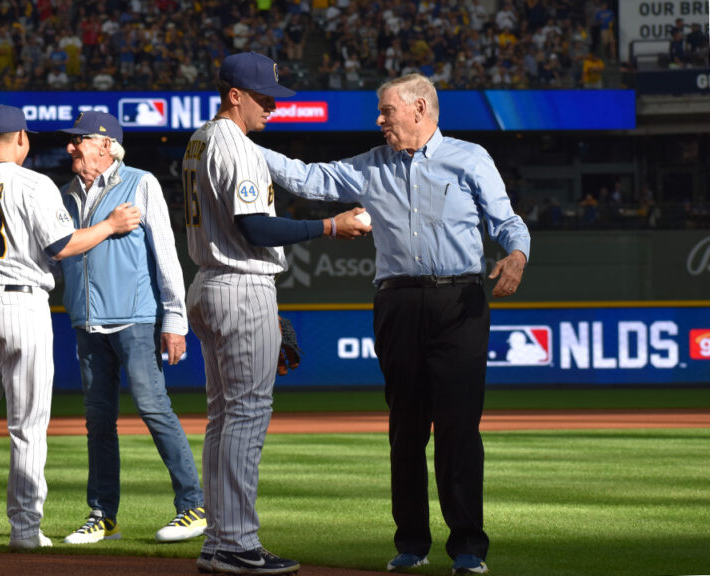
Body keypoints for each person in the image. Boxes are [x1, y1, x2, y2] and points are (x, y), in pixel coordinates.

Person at [257, 72, 531, 575]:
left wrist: (517, 254)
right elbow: (306, 177)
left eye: (387, 111)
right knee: (406, 429)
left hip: (460, 302)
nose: (379, 120)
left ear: (419, 108)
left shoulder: (470, 158)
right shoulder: (370, 166)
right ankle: (411, 544)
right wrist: (241, 146)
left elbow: (507, 222)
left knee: (458, 429)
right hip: (398, 303)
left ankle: (468, 548)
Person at [0, 104, 141, 554]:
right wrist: (110, 225)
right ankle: (24, 528)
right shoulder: (34, 183)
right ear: (20, 138)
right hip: (23, 304)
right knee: (28, 424)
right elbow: (63, 246)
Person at [183, 52, 371, 575]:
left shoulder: (200, 138)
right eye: (263, 97)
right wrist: (329, 227)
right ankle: (237, 543)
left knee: (223, 418)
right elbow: (256, 228)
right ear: (234, 95)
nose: (272, 106)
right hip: (240, 284)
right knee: (245, 416)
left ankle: (219, 541)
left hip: (211, 282)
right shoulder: (238, 147)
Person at [54, 111, 206, 545]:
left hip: (135, 319)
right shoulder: (65, 194)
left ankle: (194, 506)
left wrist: (174, 319)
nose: (70, 146)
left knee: (153, 408)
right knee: (98, 421)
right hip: (87, 322)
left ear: (105, 145)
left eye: (79, 139)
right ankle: (103, 516)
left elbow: (166, 253)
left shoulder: (140, 182)